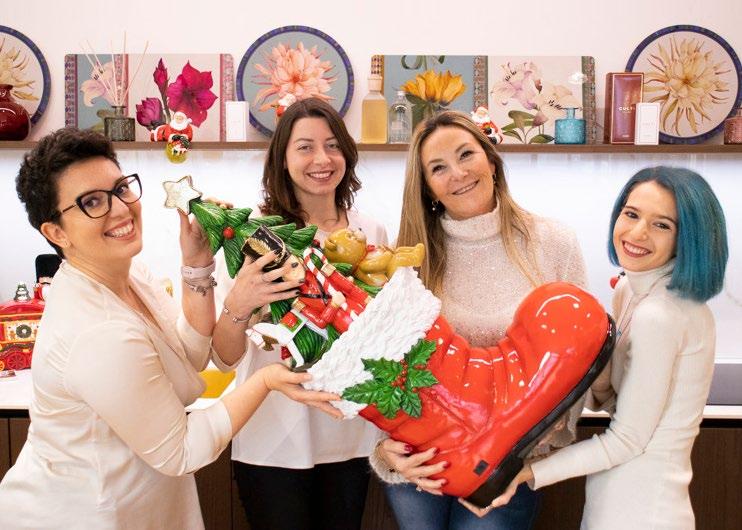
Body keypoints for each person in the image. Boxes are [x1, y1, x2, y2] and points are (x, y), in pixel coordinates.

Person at [0, 127, 339, 530]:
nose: (120, 209)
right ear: (56, 232)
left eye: (120, 189)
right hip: (81, 513)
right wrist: (265, 380)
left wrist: (196, 263)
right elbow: (181, 450)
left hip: (137, 500)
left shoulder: (129, 275)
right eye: (92, 202)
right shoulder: (97, 332)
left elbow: (189, 355)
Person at [371, 110, 588, 530]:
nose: (457, 173)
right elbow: (386, 366)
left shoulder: (552, 243)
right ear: (427, 187)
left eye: (465, 154)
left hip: (506, 465)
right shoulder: (408, 255)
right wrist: (384, 454)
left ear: (491, 159)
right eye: (438, 168)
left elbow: (581, 355)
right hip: (422, 462)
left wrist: (539, 437)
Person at [488, 167, 728, 529]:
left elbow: (626, 440)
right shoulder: (630, 291)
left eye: (662, 225)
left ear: (688, 239)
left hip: (645, 512)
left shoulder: (660, 316)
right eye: (631, 214)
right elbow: (614, 402)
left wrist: (528, 472)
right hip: (617, 499)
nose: (637, 232)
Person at [211, 97, 389, 530]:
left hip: (349, 433)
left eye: (332, 145)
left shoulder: (370, 232)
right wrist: (240, 303)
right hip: (272, 435)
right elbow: (225, 357)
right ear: (283, 159)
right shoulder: (254, 234)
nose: (322, 159)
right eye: (305, 147)